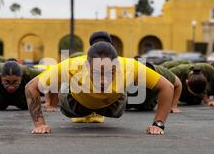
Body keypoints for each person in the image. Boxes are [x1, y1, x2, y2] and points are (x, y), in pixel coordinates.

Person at [25, 42, 174, 135]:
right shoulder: (72, 66)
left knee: (119, 103)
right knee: (66, 89)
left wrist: (158, 124)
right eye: (97, 74)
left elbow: (167, 87)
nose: (103, 81)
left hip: (112, 105)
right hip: (76, 103)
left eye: (110, 73)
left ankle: (97, 110)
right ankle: (68, 86)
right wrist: (40, 125)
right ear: (86, 66)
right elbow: (31, 87)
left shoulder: (130, 67)